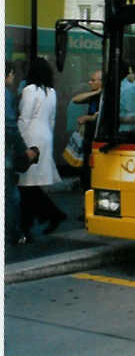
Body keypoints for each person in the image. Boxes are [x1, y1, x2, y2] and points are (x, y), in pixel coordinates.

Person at [17, 57, 66, 235]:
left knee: (26, 183)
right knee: (29, 184)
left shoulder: (30, 90)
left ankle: (46, 217)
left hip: (31, 136)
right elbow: (52, 119)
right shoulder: (51, 92)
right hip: (45, 136)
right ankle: (43, 218)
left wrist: (19, 142)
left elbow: (25, 117)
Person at [5, 62, 39, 244]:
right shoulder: (5, 95)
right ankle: (15, 235)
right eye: (12, 74)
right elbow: (10, 128)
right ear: (8, 74)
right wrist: (24, 150)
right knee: (11, 197)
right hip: (5, 157)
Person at [72, 69, 102, 219]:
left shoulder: (106, 98)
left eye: (93, 80)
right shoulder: (95, 95)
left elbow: (100, 117)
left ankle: (93, 208)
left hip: (98, 141)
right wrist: (95, 93)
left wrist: (88, 118)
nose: (90, 82)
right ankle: (87, 208)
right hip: (88, 140)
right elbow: (76, 99)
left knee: (92, 175)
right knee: (85, 175)